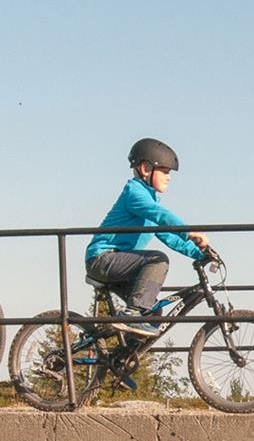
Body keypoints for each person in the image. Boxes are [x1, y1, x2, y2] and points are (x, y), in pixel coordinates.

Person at [84, 138, 209, 336]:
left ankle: (125, 359)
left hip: (120, 263)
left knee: (153, 312)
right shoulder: (135, 193)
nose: (169, 177)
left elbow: (170, 237)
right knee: (158, 259)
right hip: (103, 259)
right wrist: (189, 231)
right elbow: (160, 214)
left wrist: (201, 254)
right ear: (145, 169)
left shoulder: (149, 203)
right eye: (166, 171)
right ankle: (131, 313)